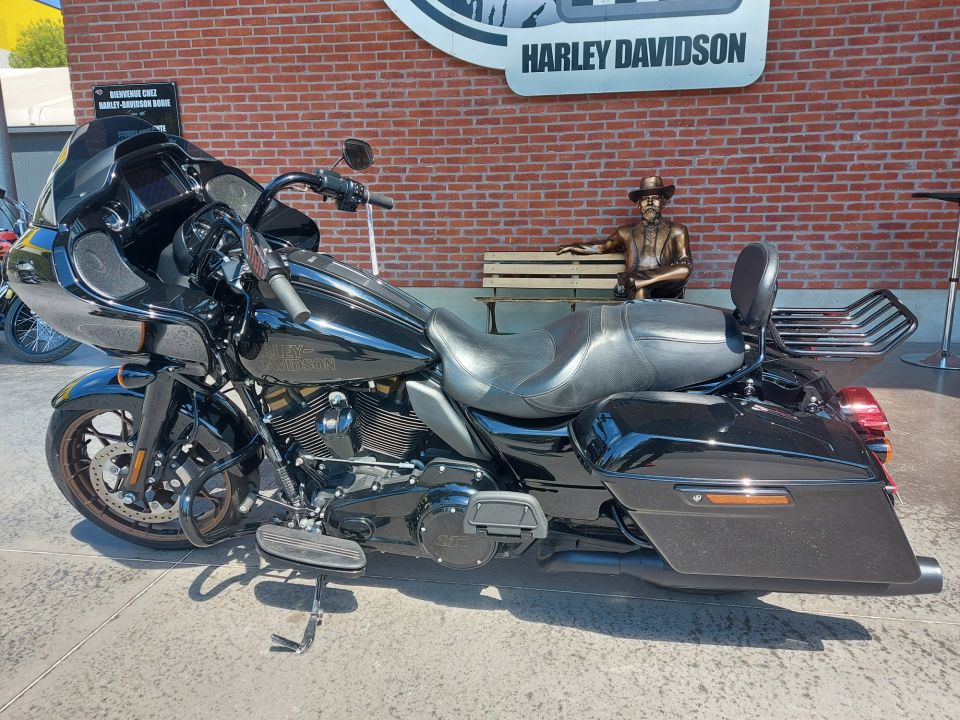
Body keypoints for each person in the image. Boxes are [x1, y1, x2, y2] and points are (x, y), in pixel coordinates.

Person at [557, 176, 692, 299]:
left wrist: (682, 263)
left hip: (665, 287)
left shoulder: (678, 231)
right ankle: (636, 284)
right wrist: (573, 247)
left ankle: (633, 279)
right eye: (645, 199)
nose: (650, 203)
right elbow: (602, 246)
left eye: (655, 198)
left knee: (684, 270)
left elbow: (685, 262)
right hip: (635, 289)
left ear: (663, 202)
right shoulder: (626, 232)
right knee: (639, 289)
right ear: (638, 204)